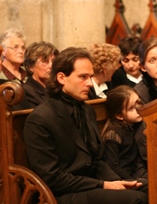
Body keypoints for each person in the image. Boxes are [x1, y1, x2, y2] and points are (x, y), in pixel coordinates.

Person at [23, 47, 148, 204]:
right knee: (136, 199)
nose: (89, 83)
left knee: (153, 186)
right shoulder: (40, 118)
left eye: (90, 76)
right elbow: (52, 178)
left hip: (92, 184)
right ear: (61, 78)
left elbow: (97, 161)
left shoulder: (87, 110)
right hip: (63, 193)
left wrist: (118, 182)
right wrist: (104, 185)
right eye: (83, 77)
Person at [101, 85, 147, 179]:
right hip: (124, 178)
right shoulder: (113, 134)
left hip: (137, 172)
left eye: (139, 104)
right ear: (119, 115)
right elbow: (112, 166)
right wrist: (132, 182)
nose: (138, 109)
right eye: (131, 108)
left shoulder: (136, 125)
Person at [21, 41, 59, 108]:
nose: (51, 66)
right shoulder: (23, 92)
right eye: (45, 61)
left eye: (53, 61)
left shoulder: (58, 89)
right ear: (30, 66)